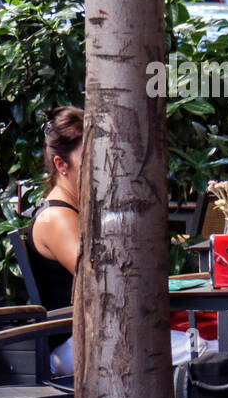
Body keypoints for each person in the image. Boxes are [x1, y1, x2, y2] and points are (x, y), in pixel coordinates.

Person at [27, 107, 203, 374]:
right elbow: (105, 281)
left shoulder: (76, 210)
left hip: (99, 331)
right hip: (75, 341)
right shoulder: (56, 218)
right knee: (208, 347)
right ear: (61, 165)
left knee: (206, 340)